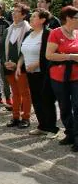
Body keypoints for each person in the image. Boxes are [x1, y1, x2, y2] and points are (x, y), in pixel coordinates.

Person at [16, 8, 59, 138]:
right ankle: (42, 126)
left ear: (42, 20)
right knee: (36, 99)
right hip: (30, 73)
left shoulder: (48, 34)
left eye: (34, 16)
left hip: (44, 72)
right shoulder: (28, 33)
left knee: (47, 99)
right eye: (32, 16)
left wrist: (36, 64)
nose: (31, 18)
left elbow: (50, 54)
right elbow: (23, 52)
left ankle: (52, 129)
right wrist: (19, 66)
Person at [45, 6, 78, 152]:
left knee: (77, 107)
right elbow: (49, 55)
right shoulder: (56, 33)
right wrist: (70, 57)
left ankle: (77, 138)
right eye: (77, 17)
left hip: (76, 76)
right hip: (59, 76)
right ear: (69, 18)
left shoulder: (77, 33)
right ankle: (70, 133)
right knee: (65, 107)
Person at [3, 3, 33, 129]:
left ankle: (26, 118)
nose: (13, 13)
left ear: (24, 15)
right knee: (14, 93)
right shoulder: (8, 29)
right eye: (13, 11)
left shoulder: (29, 30)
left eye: (17, 11)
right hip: (8, 66)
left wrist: (17, 64)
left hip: (22, 67)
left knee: (25, 93)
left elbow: (27, 50)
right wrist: (5, 62)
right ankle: (15, 117)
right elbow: (3, 49)